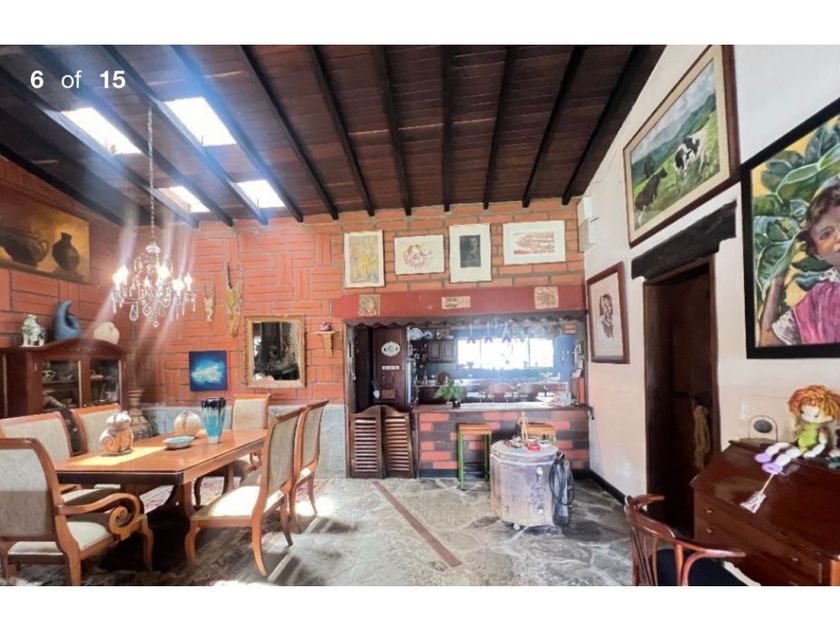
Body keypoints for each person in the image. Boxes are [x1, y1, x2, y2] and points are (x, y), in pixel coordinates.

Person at [761, 183, 840, 346]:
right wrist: (776, 285)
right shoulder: (818, 299)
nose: (839, 236)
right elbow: (768, 341)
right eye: (826, 234)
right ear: (816, 251)